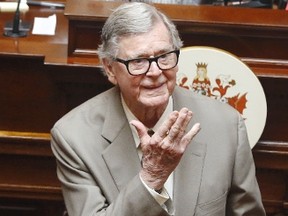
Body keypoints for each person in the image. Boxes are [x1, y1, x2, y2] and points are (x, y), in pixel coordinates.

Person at [51, 2, 266, 216]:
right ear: (110, 69)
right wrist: (151, 178)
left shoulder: (226, 124)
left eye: (164, 56)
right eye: (138, 61)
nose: (155, 71)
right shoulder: (74, 137)